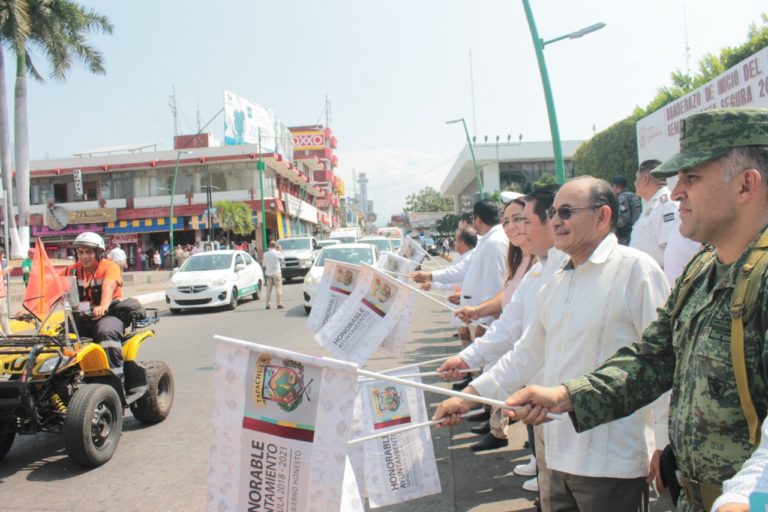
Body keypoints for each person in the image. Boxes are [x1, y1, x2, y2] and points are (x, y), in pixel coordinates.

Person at [505, 108, 768, 512]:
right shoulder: (702, 270)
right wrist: (565, 395)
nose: (676, 191)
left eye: (692, 178)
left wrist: (746, 495)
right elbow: (653, 358)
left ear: (746, 185)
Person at [435, 177, 670, 512]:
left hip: (612, 458)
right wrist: (469, 396)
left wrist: (663, 442)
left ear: (602, 216)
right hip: (558, 455)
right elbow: (525, 354)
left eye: (566, 212)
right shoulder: (557, 279)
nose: (555, 220)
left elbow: (662, 360)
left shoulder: (636, 270)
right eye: (553, 212)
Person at [63, 232, 126, 381]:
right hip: (82, 317)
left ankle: (116, 382)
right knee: (59, 337)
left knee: (105, 333)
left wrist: (103, 305)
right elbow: (51, 288)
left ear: (99, 253)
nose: (84, 256)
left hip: (109, 314)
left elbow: (109, 287)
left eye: (89, 252)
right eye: (81, 252)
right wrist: (32, 309)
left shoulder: (110, 267)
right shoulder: (71, 270)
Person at [631, 159, 700, 284]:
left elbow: (672, 247)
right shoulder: (652, 205)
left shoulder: (666, 204)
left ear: (645, 179)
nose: (634, 183)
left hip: (660, 282)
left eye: (636, 179)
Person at [612, 175, 641, 245]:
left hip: (626, 237)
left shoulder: (621, 198)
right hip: (637, 232)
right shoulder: (634, 195)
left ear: (616, 186)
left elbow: (623, 219)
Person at [262, 241, 284, 310]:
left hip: (268, 273)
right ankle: (279, 303)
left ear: (269, 245)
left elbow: (264, 264)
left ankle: (267, 304)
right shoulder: (277, 253)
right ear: (275, 246)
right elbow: (282, 258)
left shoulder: (265, 254)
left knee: (268, 290)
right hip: (276, 272)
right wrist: (279, 250)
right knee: (278, 288)